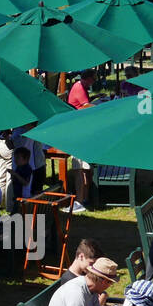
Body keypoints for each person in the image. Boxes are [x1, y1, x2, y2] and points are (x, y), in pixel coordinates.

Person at [64, 71, 96, 212]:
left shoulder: (80, 87)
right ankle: (79, 200)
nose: (94, 82)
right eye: (93, 79)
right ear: (88, 79)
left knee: (84, 168)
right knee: (79, 169)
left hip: (82, 130)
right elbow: (85, 106)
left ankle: (83, 198)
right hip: (79, 131)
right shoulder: (79, 88)